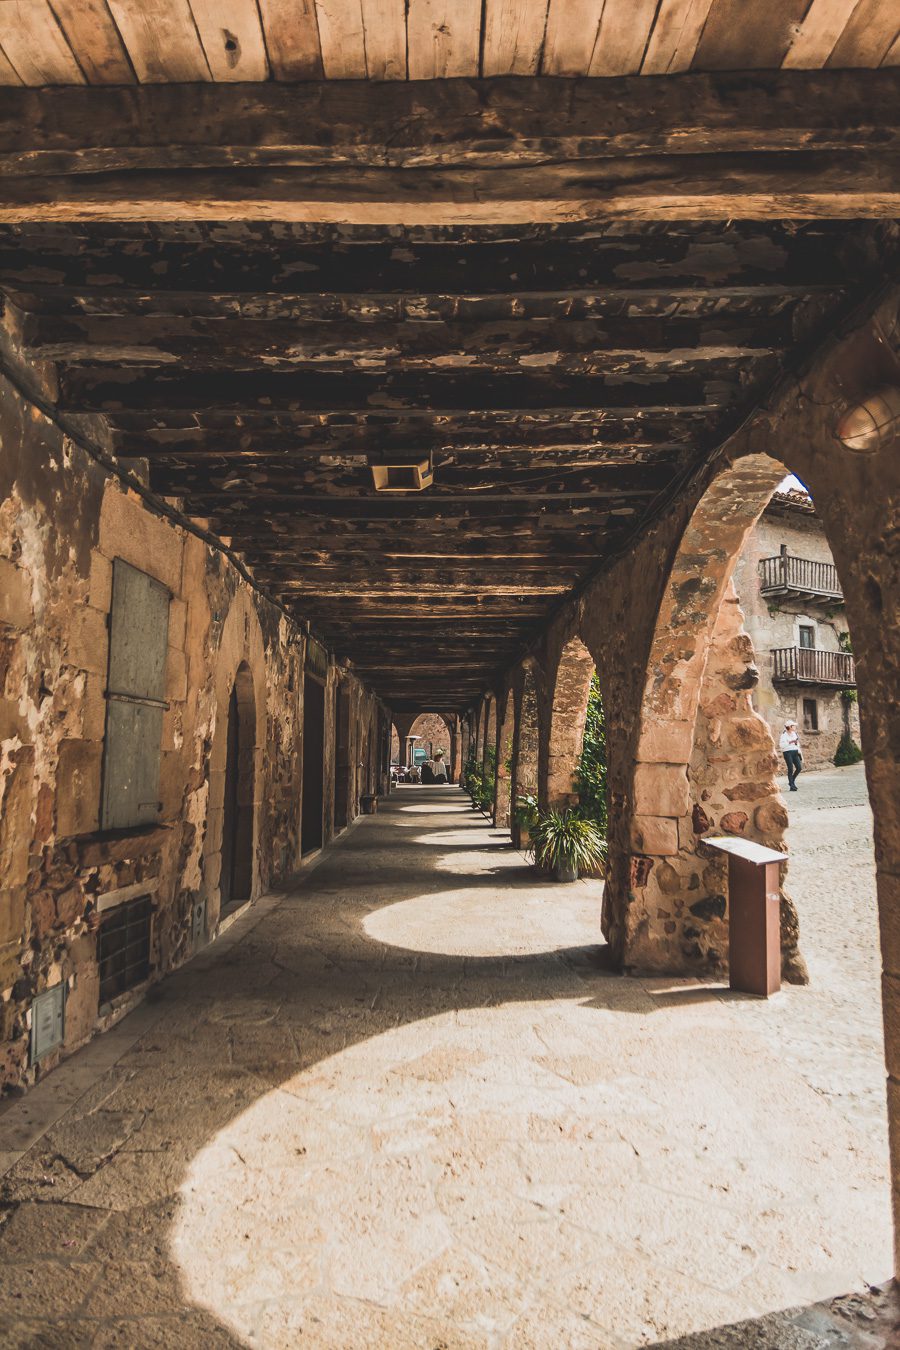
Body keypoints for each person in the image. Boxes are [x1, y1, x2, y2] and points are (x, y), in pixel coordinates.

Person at [779, 719, 803, 790]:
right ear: (789, 727)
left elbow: (797, 744)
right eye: (793, 726)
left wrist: (796, 744)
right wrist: (790, 742)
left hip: (795, 752)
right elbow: (781, 745)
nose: (795, 727)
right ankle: (792, 785)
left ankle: (791, 781)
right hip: (787, 752)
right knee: (790, 769)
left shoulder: (794, 734)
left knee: (799, 768)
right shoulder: (783, 735)